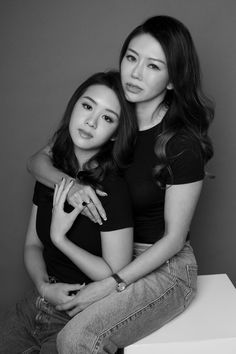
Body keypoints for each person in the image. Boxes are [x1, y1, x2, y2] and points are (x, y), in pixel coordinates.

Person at [27, 15, 214, 354]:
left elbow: (173, 240)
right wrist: (72, 184)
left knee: (76, 339)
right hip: (110, 255)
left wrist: (112, 285)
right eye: (131, 58)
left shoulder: (180, 143)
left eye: (154, 66)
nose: (136, 73)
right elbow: (38, 161)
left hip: (162, 267)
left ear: (173, 80)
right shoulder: (111, 115)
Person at [0, 71, 137, 354]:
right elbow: (32, 245)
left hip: (79, 318)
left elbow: (114, 274)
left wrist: (61, 238)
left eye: (107, 118)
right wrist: (42, 287)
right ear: (73, 107)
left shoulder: (111, 188)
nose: (91, 121)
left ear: (115, 135)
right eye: (87, 106)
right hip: (35, 305)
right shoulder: (53, 174)